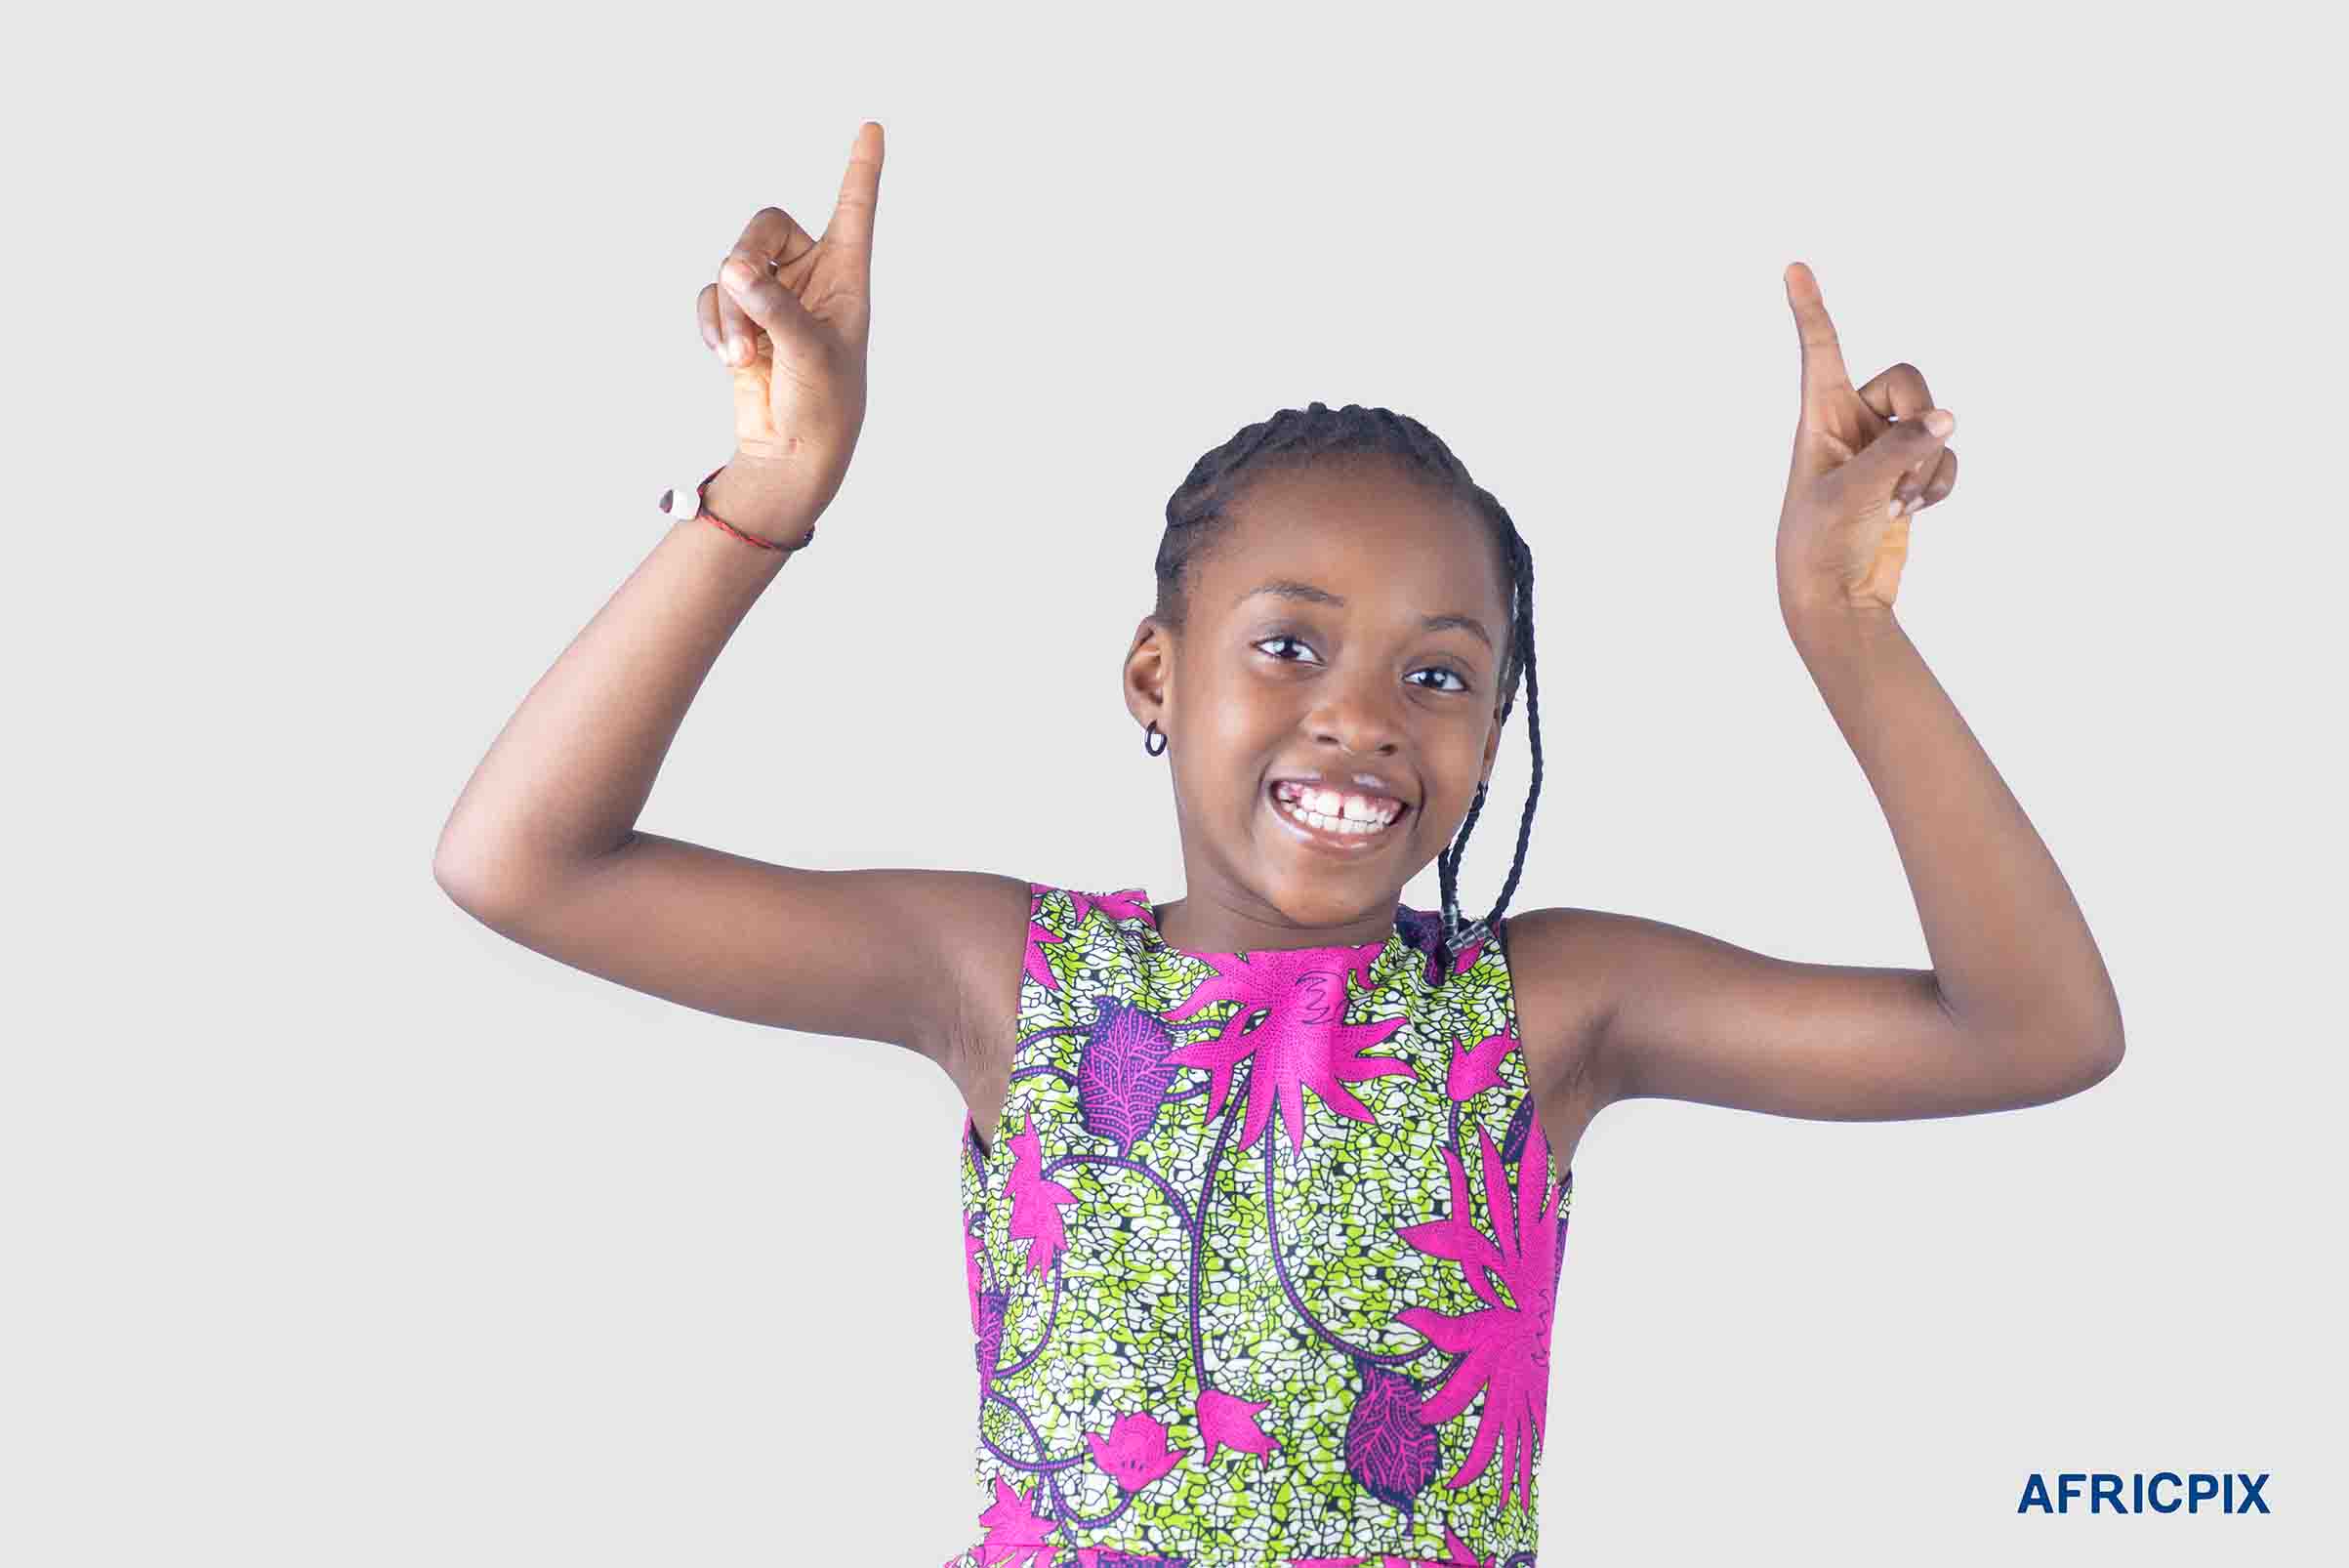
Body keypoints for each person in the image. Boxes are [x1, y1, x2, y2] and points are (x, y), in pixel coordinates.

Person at [432, 121, 2125, 1568]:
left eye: (1442, 672)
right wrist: (770, 490)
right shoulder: (1004, 981)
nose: (1362, 714)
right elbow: (522, 861)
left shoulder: (1542, 1011)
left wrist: (1841, 628)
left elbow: (2033, 1027)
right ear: (1152, 674)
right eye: (1290, 645)